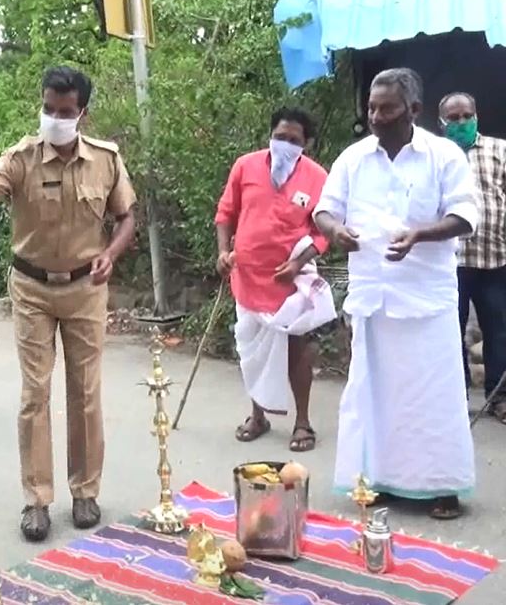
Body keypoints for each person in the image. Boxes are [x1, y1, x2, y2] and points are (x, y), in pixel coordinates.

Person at [0, 66, 137, 542]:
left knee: (85, 392)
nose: (55, 118)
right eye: (49, 108)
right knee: (35, 393)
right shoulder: (19, 159)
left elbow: (126, 217)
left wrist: (110, 255)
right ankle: (36, 500)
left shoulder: (106, 160)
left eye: (65, 112)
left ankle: (85, 491)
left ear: (83, 114)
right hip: (31, 289)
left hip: (85, 290)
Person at [314, 68, 478, 520]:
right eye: (371, 107)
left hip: (426, 300)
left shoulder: (443, 156)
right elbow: (324, 209)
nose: (376, 116)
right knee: (376, 394)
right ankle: (378, 479)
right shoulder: (353, 159)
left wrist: (420, 234)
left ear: (414, 111)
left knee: (433, 396)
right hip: (373, 298)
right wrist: (336, 230)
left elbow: (466, 216)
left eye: (386, 108)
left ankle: (442, 486)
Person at [216, 108, 335, 452]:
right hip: (248, 276)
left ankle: (302, 422)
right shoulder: (245, 166)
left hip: (289, 280)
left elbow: (323, 232)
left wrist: (299, 262)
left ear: (306, 144)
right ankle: (258, 416)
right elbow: (226, 213)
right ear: (270, 136)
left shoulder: (317, 177)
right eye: (280, 137)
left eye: (294, 140)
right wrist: (223, 253)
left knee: (299, 351)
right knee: (251, 350)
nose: (285, 144)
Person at [439, 92, 506, 422]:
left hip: (495, 259)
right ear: (442, 123)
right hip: (451, 263)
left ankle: (499, 397)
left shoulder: (499, 149)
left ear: (477, 115)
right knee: (451, 331)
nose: (462, 122)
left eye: (467, 115)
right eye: (454, 118)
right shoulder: (437, 157)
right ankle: (457, 397)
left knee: (499, 330)